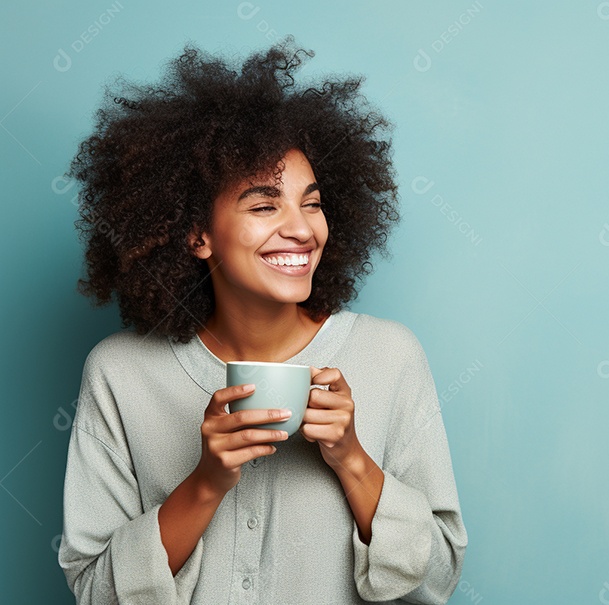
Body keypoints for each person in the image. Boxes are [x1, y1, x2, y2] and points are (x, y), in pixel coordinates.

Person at [58, 36, 467, 604]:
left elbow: (439, 575)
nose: (301, 228)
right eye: (263, 204)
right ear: (196, 234)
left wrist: (351, 458)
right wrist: (205, 482)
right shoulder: (119, 373)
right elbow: (94, 590)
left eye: (313, 202)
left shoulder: (391, 356)